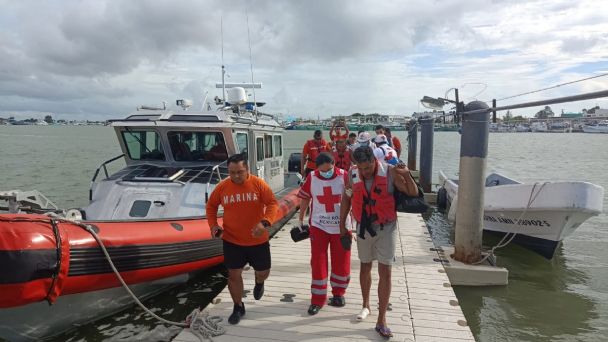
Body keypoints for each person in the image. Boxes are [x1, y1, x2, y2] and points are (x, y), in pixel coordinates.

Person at [338, 146, 418, 338]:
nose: (364, 172)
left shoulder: (390, 172)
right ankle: (365, 305)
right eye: (361, 168)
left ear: (375, 160)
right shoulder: (353, 174)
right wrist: (343, 227)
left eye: (368, 167)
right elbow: (346, 200)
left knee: (386, 271)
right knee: (365, 266)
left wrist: (406, 175)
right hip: (363, 228)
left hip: (386, 227)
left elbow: (413, 192)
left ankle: (382, 319)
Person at [206, 153, 279, 325]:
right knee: (233, 275)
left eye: (240, 172)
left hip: (257, 240)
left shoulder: (258, 184)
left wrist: (265, 222)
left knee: (263, 272)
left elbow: (272, 203)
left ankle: (259, 282)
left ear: (247, 169)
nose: (236, 176)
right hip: (232, 240)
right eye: (232, 172)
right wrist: (213, 225)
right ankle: (238, 306)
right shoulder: (222, 187)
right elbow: (211, 206)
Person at [297, 152, 352, 315]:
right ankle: (317, 299)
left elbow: (354, 198)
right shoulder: (312, 177)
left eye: (329, 170)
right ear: (317, 168)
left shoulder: (344, 176)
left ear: (334, 164)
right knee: (318, 262)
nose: (326, 173)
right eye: (323, 171)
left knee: (342, 261)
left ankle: (339, 294)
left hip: (341, 227)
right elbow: (305, 198)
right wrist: (300, 218)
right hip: (319, 226)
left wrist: (356, 223)